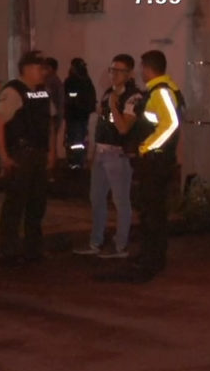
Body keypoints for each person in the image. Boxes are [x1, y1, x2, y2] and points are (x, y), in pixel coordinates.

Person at [99, 50, 185, 283]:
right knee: (150, 211)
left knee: (152, 212)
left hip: (155, 161)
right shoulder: (160, 90)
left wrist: (146, 147)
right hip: (156, 161)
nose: (141, 72)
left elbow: (170, 124)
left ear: (147, 68)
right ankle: (150, 255)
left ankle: (151, 260)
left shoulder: (161, 92)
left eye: (142, 67)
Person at [73, 54, 142, 259]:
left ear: (129, 73)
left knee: (120, 201)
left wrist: (113, 105)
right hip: (101, 152)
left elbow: (123, 128)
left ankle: (120, 245)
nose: (114, 74)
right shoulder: (108, 93)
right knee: (96, 198)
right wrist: (93, 151)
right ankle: (96, 241)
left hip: (118, 153)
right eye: (112, 70)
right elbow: (101, 124)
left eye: (120, 71)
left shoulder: (133, 97)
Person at [0, 50, 56, 266]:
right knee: (15, 204)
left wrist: (51, 152)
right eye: (39, 67)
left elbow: (49, 125)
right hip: (21, 154)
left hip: (38, 153)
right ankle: (8, 250)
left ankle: (33, 248)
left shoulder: (42, 92)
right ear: (27, 68)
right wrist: (3, 156)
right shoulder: (13, 91)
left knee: (37, 203)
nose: (43, 72)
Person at [64, 57, 98, 170]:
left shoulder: (73, 81)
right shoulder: (86, 80)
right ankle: (78, 162)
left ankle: (76, 163)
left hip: (75, 117)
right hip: (80, 116)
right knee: (79, 139)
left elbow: (68, 98)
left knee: (76, 140)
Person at [43, 57, 65, 174]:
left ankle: (51, 170)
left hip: (51, 118)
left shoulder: (51, 82)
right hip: (55, 117)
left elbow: (56, 102)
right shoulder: (56, 81)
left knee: (50, 144)